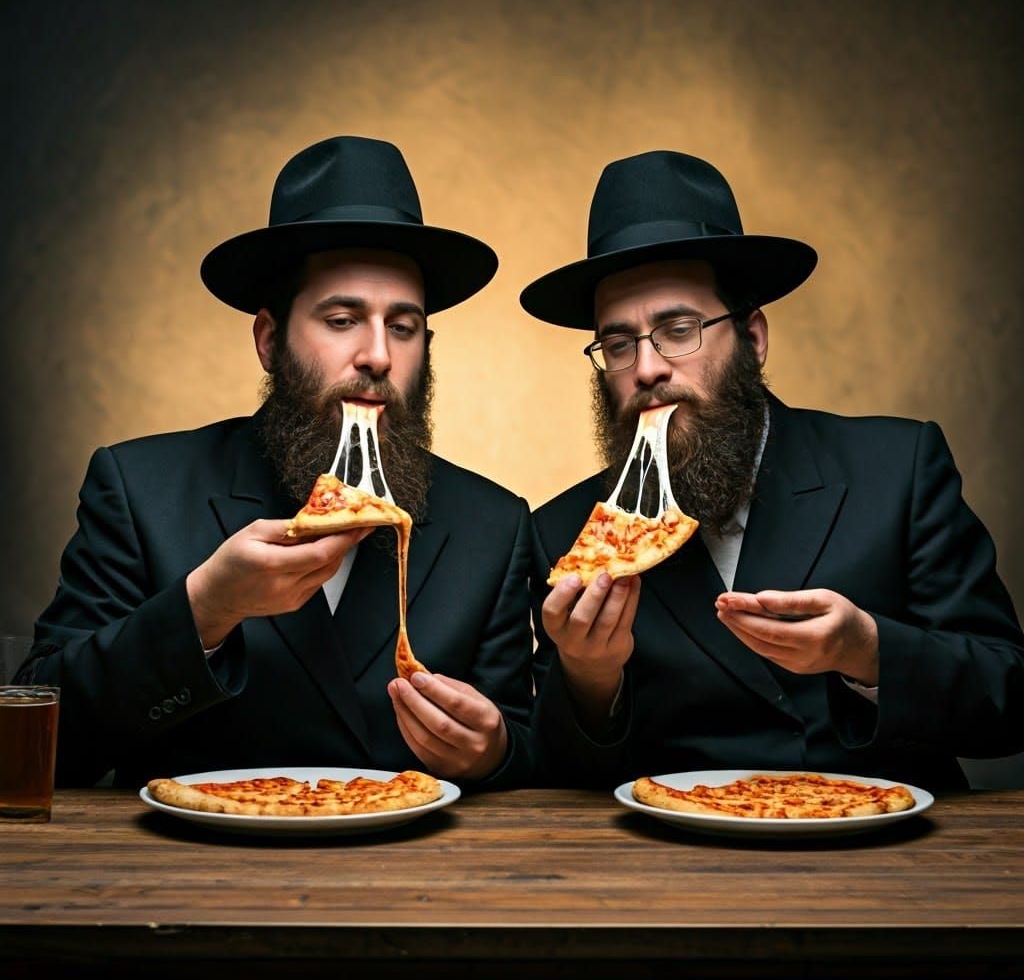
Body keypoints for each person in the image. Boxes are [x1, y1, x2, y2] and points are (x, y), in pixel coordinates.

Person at [18, 135, 534, 789]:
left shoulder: (492, 525)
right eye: (343, 319)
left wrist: (493, 753)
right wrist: (203, 608)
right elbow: (41, 735)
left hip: (410, 882)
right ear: (269, 340)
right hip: (191, 878)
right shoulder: (141, 488)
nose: (377, 355)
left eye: (402, 327)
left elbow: (524, 751)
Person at [519, 149, 1024, 791]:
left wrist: (868, 652)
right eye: (619, 344)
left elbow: (1009, 703)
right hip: (673, 871)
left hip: (885, 865)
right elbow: (558, 783)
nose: (646, 369)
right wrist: (591, 679)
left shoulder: (897, 469)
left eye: (678, 329)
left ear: (753, 339)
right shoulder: (566, 534)